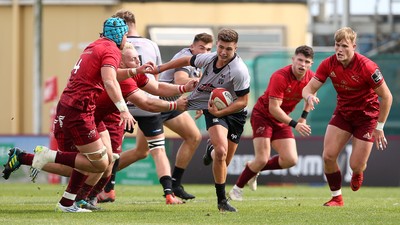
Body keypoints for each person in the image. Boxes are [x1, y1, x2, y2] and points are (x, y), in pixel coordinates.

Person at [2, 42, 194, 207]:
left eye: (138, 58)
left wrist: (183, 88)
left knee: (106, 163)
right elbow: (147, 103)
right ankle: (27, 158)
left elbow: (157, 88)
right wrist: (175, 104)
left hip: (96, 119)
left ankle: (83, 199)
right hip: (76, 118)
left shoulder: (134, 72)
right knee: (85, 166)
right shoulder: (122, 80)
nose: (138, 62)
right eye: (133, 59)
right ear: (120, 62)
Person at [2, 17, 153, 213]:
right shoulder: (111, 49)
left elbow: (110, 75)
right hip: (78, 109)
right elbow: (109, 81)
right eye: (125, 34)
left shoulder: (96, 45)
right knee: (98, 162)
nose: (126, 38)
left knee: (91, 162)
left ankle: (68, 201)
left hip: (75, 107)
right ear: (119, 35)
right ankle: (45, 161)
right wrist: (124, 109)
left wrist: (134, 70)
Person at [148, 28, 251, 212]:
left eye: (229, 49)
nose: (223, 52)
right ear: (217, 45)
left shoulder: (239, 70)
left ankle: (211, 150)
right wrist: (159, 68)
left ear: (235, 48)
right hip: (212, 108)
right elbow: (186, 60)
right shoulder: (209, 58)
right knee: (221, 151)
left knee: (223, 160)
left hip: (235, 113)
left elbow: (243, 101)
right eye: (221, 47)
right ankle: (221, 201)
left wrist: (223, 112)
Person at [97, 9, 186, 204]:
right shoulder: (150, 45)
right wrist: (177, 95)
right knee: (157, 149)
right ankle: (170, 193)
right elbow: (156, 79)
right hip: (144, 101)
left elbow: (108, 78)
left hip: (120, 105)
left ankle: (107, 189)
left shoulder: (110, 48)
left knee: (112, 153)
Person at [302, 27, 393, 207]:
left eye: (344, 46)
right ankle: (337, 198)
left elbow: (387, 97)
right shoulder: (329, 63)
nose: (339, 50)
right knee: (328, 156)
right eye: (337, 45)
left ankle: (358, 171)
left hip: (366, 118)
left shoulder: (367, 67)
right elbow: (308, 88)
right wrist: (309, 97)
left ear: (354, 46)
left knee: (355, 165)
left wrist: (379, 127)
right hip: (343, 113)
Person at [227, 45, 314, 201]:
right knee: (261, 158)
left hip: (282, 119)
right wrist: (295, 124)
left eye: (307, 61)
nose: (303, 64)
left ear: (311, 64)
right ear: (293, 60)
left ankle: (253, 169)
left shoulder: (311, 79)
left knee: (290, 160)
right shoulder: (280, 77)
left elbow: (311, 96)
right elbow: (274, 109)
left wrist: (303, 117)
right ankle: (236, 190)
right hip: (263, 116)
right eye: (300, 60)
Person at [157, 32, 214, 200]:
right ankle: (105, 179)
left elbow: (195, 81)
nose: (204, 52)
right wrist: (200, 88)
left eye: (209, 49)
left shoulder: (201, 60)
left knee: (193, 136)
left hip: (171, 103)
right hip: (157, 104)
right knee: (141, 152)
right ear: (192, 46)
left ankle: (175, 185)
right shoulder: (186, 57)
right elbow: (180, 79)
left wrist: (198, 100)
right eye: (201, 48)